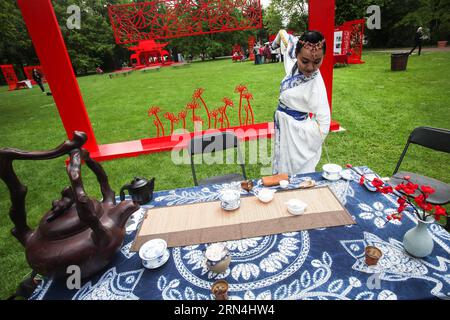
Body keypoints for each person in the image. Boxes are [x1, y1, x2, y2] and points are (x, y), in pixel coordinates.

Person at [270, 29, 331, 175]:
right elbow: (282, 34)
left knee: (297, 172)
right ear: (296, 54)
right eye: (305, 61)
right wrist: (273, 46)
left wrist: (302, 133)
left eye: (317, 62)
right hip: (283, 125)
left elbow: (324, 123)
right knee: (281, 166)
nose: (310, 68)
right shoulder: (291, 51)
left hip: (298, 132)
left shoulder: (316, 86)